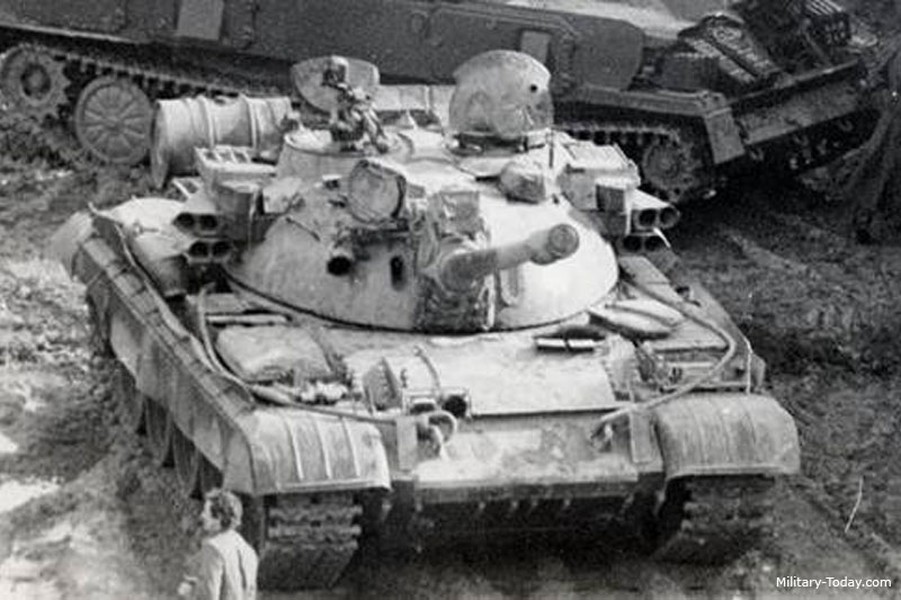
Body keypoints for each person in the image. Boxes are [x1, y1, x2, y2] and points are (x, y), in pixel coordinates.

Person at [846, 44, 901, 243]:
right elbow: (878, 78)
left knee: (883, 168)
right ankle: (863, 223)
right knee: (879, 167)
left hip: (893, 118)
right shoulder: (896, 52)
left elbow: (877, 79)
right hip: (894, 121)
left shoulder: (896, 50)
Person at [177, 488, 259, 600]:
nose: (202, 516)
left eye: (205, 512)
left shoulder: (213, 548)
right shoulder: (248, 550)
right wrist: (199, 585)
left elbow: (208, 597)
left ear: (219, 518)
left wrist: (188, 593)